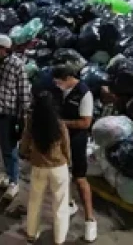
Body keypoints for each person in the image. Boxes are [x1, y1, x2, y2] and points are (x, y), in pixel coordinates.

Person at [51, 66, 97, 243]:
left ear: (69, 78)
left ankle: (90, 220)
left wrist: (62, 123)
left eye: (60, 81)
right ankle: (69, 204)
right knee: (62, 174)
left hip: (77, 141)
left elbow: (85, 123)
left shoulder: (84, 94)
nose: (58, 85)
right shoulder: (58, 91)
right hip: (61, 139)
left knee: (80, 179)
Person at [0, 34, 31, 201]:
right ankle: (8, 175)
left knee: (10, 148)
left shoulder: (17, 66)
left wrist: (23, 117)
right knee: (4, 146)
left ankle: (14, 182)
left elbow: (24, 91)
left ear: (4, 49)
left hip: (10, 114)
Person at [20, 92, 72, 245]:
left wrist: (24, 153)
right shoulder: (59, 123)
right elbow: (66, 146)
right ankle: (59, 239)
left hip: (38, 166)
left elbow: (25, 141)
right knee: (60, 205)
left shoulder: (32, 121)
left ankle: (31, 234)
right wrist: (68, 162)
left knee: (35, 201)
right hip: (58, 167)